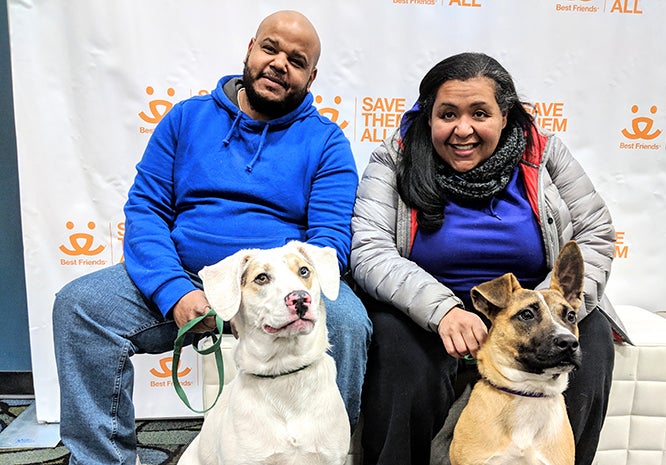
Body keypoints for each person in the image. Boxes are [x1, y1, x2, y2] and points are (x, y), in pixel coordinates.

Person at [52, 10, 371, 465]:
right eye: (270, 48)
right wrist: (174, 291)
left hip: (276, 284)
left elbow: (329, 240)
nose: (280, 64)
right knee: (80, 306)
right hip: (185, 273)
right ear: (250, 50)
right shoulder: (186, 119)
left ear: (311, 76)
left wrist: (281, 287)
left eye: (297, 60)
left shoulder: (326, 142)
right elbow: (145, 211)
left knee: (347, 321)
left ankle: (323, 450)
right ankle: (102, 460)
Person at [350, 51, 628, 465]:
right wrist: (442, 309)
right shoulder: (396, 156)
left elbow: (596, 231)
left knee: (593, 340)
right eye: (447, 114)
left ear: (505, 115)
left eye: (480, 113)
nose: (463, 129)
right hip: (426, 312)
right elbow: (370, 250)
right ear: (429, 117)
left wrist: (548, 308)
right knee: (397, 347)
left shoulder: (545, 153)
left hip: (532, 306)